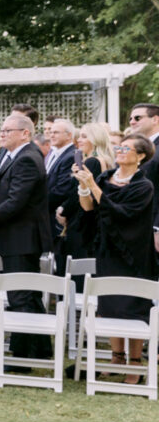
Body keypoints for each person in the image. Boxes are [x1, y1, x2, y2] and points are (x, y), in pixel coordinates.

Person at [74, 133, 156, 383]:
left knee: (132, 306)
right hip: (107, 248)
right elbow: (89, 208)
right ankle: (116, 356)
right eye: (118, 147)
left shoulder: (144, 186)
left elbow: (122, 214)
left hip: (133, 251)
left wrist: (94, 186)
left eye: (126, 148)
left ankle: (134, 362)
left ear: (140, 156)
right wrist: (84, 186)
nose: (119, 151)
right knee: (109, 304)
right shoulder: (105, 178)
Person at [0, 114, 53, 363]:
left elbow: (17, 200)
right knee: (28, 294)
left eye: (8, 130)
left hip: (23, 237)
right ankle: (41, 349)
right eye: (1, 130)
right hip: (11, 233)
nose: (2, 134)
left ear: (25, 133)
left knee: (21, 295)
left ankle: (21, 357)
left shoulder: (28, 158)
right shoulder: (6, 154)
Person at [56, 123, 113, 292]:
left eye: (84, 136)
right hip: (91, 220)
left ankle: (78, 308)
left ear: (96, 140)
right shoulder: (104, 160)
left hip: (82, 221)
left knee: (79, 268)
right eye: (79, 136)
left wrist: (63, 210)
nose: (79, 140)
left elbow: (79, 193)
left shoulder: (93, 162)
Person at [44, 119, 77, 275]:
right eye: (51, 132)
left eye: (56, 132)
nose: (51, 135)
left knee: (62, 261)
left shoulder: (70, 155)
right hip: (50, 214)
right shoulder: (54, 153)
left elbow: (62, 189)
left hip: (59, 214)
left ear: (69, 135)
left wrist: (39, 206)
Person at [127, 103, 159, 258]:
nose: (132, 121)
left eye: (138, 118)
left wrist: (158, 228)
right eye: (131, 118)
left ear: (155, 120)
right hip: (136, 224)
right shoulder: (137, 147)